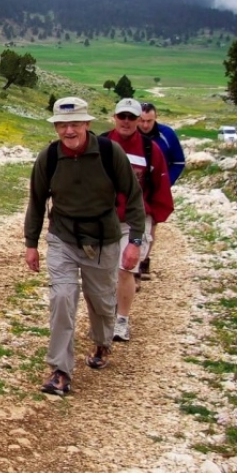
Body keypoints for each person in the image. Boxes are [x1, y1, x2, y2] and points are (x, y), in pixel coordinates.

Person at [23, 97, 145, 397]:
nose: (68, 131)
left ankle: (102, 342)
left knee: (102, 300)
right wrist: (31, 243)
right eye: (62, 125)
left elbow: (132, 196)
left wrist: (136, 241)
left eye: (75, 124)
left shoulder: (108, 152)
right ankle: (60, 370)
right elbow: (37, 201)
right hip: (63, 236)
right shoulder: (49, 157)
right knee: (62, 297)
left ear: (87, 125)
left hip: (103, 239)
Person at [105, 99, 174, 342]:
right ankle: (107, 315)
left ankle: (121, 320)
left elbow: (161, 184)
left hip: (134, 219)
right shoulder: (101, 143)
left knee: (126, 268)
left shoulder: (149, 149)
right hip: (103, 219)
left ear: (138, 120)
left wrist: (154, 216)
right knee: (105, 272)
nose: (126, 121)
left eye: (131, 117)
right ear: (114, 117)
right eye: (121, 116)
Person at [137, 101, 185, 280]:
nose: (145, 125)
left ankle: (143, 260)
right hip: (134, 187)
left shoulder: (167, 135)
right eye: (142, 120)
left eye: (149, 121)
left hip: (156, 188)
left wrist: (166, 183)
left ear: (155, 118)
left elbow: (179, 161)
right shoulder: (130, 134)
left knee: (151, 224)